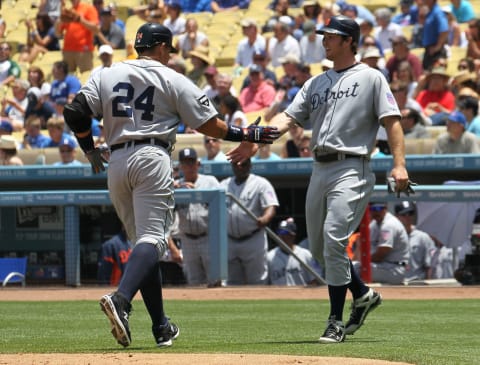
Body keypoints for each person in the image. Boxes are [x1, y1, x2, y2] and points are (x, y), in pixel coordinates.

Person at [62, 22, 279, 348]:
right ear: (161, 47)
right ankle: (121, 299)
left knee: (143, 246)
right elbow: (210, 126)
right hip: (152, 155)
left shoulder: (107, 73)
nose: (170, 56)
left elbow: (75, 111)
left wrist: (89, 148)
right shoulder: (172, 77)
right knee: (154, 240)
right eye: (169, 50)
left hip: (116, 161)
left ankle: (161, 326)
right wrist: (247, 134)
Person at [261, 15, 410, 343]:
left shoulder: (371, 78)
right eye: (324, 35)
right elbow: (288, 118)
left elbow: (392, 122)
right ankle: (362, 294)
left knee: (333, 241)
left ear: (348, 40)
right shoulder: (316, 82)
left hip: (351, 166)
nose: (324, 40)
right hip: (319, 167)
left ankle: (335, 321)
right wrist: (255, 137)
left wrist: (399, 165)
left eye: (331, 36)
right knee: (318, 249)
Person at [220, 158, 279, 285]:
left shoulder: (261, 183)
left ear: (250, 165)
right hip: (229, 240)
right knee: (232, 283)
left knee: (257, 281)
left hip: (253, 238)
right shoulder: (224, 185)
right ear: (232, 165)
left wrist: (265, 218)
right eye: (236, 164)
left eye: (244, 164)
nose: (240, 167)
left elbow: (271, 206)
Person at [174, 148, 220, 286]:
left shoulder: (210, 182)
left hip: (208, 238)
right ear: (181, 166)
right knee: (194, 282)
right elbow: (165, 212)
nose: (189, 166)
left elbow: (223, 207)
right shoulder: (176, 185)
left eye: (192, 162)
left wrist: (196, 192)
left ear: (198, 164)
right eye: (185, 163)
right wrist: (173, 191)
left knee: (215, 280)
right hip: (187, 239)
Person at [363, 202, 410, 285]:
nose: (375, 212)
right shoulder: (374, 224)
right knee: (353, 267)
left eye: (378, 209)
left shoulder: (389, 224)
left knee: (355, 269)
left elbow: (380, 255)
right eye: (372, 209)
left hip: (395, 269)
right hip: (383, 267)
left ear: (385, 209)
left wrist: (364, 261)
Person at [267, 217, 321, 286]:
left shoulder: (306, 255)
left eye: (285, 233)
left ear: (292, 235)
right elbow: (265, 284)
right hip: (278, 295)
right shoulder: (270, 257)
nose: (281, 236)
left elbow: (315, 280)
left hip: (301, 295)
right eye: (279, 233)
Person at [54, 0, 99, 73]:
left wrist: (80, 20)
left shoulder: (88, 8)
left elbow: (95, 29)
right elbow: (58, 34)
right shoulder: (68, 10)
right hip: (68, 50)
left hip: (84, 49)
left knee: (86, 76)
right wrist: (60, 20)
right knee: (67, 77)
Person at [394, 201, 435, 281]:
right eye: (403, 214)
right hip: (395, 282)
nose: (408, 217)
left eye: (410, 213)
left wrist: (428, 285)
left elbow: (429, 266)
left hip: (417, 282)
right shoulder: (392, 236)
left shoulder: (423, 237)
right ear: (396, 216)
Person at [421, 0, 449, 71]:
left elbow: (444, 30)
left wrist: (437, 47)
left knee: (436, 75)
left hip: (436, 52)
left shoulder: (437, 12)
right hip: (429, 50)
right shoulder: (430, 12)